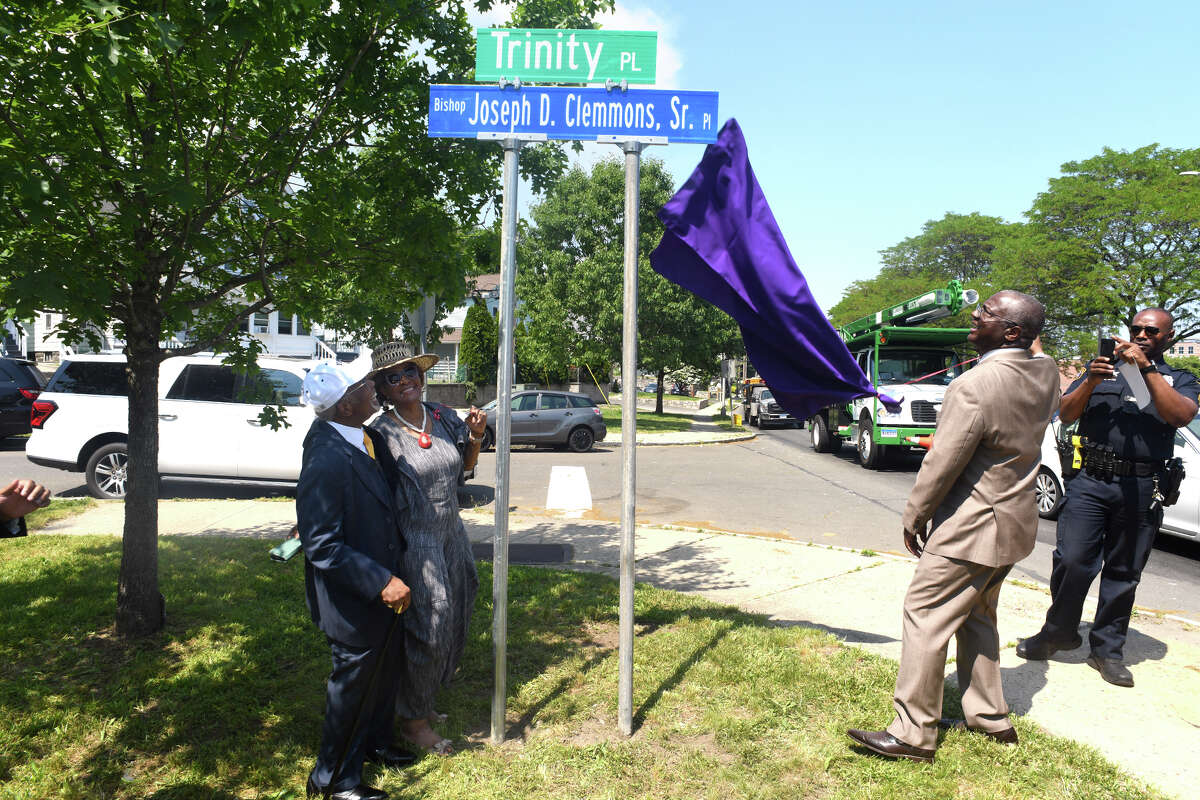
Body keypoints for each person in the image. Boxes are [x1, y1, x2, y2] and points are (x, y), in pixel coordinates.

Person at [847, 291, 1059, 763]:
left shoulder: (974, 385)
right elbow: (1040, 351)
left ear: (1009, 332)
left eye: (986, 313)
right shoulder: (1045, 372)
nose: (974, 315)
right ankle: (990, 717)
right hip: (1015, 525)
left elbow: (943, 462)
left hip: (971, 526)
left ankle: (911, 734)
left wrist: (914, 515)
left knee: (925, 616)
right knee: (979, 617)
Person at [1017, 309, 1199, 687]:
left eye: (1151, 331)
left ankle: (1107, 649)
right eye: (1136, 329)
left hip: (1141, 486)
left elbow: (1180, 415)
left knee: (1123, 573)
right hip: (1091, 481)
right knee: (1072, 560)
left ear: (1168, 336)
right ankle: (1058, 632)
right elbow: (1065, 414)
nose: (1142, 334)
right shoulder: (1102, 369)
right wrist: (1090, 381)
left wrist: (1147, 369)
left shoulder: (1179, 378)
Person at [296, 362, 417, 800]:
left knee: (382, 672)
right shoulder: (328, 455)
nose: (373, 388)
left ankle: (374, 743)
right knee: (352, 684)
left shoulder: (361, 435)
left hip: (382, 586)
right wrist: (380, 580)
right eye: (365, 386)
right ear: (345, 404)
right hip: (356, 595)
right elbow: (321, 543)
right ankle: (332, 780)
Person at [367, 341, 484, 756]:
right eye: (393, 377)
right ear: (381, 388)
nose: (406, 382)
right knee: (431, 623)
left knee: (459, 608)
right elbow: (371, 495)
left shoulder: (441, 416)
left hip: (452, 531)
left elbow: (465, 469)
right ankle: (413, 722)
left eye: (411, 372)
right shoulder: (380, 434)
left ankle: (424, 698)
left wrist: (474, 437)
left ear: (422, 375)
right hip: (416, 539)